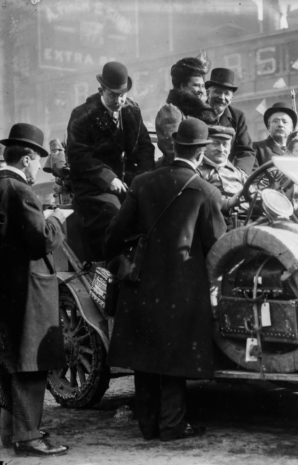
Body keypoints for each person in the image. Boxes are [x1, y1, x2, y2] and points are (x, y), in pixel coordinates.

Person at [105, 118, 226, 441]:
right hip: (183, 288)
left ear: (175, 146)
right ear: (201, 153)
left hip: (141, 283)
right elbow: (218, 247)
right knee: (175, 355)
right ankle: (172, 424)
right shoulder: (206, 191)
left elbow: (113, 235)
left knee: (146, 354)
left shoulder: (143, 182)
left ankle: (148, 425)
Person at [0, 123, 69, 456]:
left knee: (8, 361)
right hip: (28, 290)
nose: (38, 167)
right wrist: (55, 219)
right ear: (27, 158)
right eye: (37, 160)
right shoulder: (21, 191)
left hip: (5, 288)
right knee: (30, 362)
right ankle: (28, 437)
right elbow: (40, 240)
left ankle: (8, 432)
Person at [66, 61, 155, 261]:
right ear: (102, 90)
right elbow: (79, 157)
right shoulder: (82, 115)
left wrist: (143, 178)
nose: (119, 100)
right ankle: (111, 268)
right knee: (113, 213)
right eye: (113, 95)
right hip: (93, 187)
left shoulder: (132, 110)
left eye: (122, 94)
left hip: (128, 183)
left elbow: (145, 148)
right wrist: (108, 178)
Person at [155, 56, 214, 166]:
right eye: (196, 85)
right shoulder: (171, 112)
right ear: (182, 87)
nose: (201, 91)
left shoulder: (203, 112)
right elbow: (173, 151)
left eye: (203, 86)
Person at [205, 68, 255, 174]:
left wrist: (239, 173)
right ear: (208, 93)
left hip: (228, 173)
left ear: (231, 98)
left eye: (227, 94)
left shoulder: (237, 116)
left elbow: (246, 151)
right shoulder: (195, 112)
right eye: (217, 92)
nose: (222, 97)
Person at [199, 125, 248, 215]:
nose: (221, 149)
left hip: (244, 221)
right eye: (215, 143)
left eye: (225, 144)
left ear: (230, 148)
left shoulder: (240, 174)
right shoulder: (197, 172)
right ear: (204, 146)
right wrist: (228, 203)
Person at [253, 101, 297, 168]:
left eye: (285, 122)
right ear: (268, 127)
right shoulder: (256, 148)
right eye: (275, 121)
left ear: (292, 128)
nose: (280, 125)